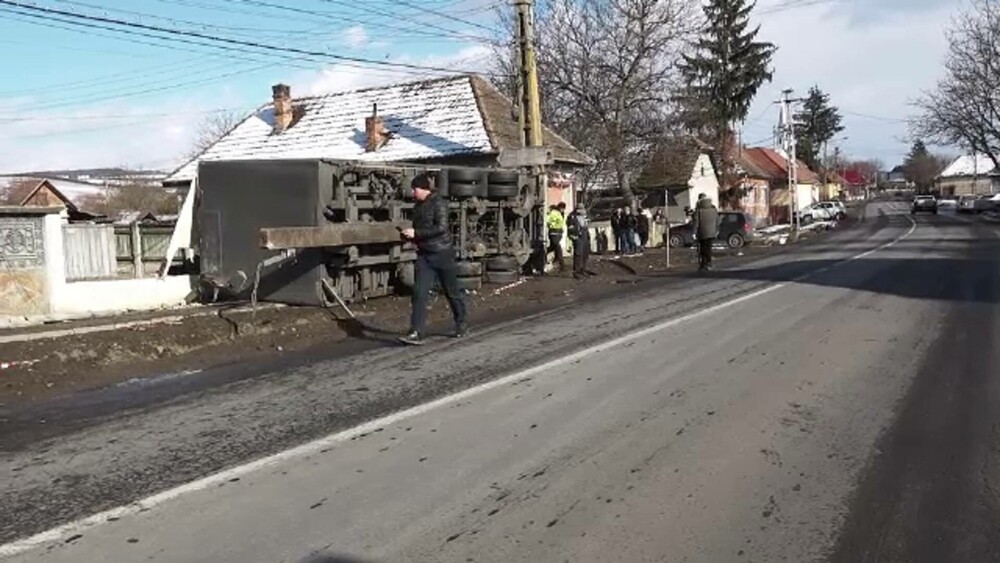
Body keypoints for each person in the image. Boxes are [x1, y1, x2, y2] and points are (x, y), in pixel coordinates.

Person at [398, 173, 467, 345]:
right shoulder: (417, 207)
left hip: (442, 254)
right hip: (425, 256)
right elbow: (418, 229)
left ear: (423, 189)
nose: (413, 193)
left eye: (415, 189)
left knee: (452, 292)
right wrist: (410, 236)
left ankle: (461, 322)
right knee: (419, 294)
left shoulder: (439, 203)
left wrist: (417, 233)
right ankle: (416, 331)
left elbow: (441, 228)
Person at [691, 193, 719, 271]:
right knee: (708, 248)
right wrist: (716, 230)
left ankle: (703, 264)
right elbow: (717, 220)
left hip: (702, 232)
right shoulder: (713, 209)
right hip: (711, 232)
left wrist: (694, 232)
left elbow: (696, 222)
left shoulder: (699, 210)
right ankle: (709, 263)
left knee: (702, 249)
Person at [567, 205, 592, 279]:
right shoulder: (572, 217)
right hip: (577, 236)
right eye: (581, 209)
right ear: (577, 210)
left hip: (585, 236)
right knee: (578, 254)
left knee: (585, 253)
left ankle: (583, 269)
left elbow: (587, 223)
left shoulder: (585, 216)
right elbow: (570, 227)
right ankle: (576, 271)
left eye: (583, 209)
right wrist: (575, 234)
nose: (583, 211)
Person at [545, 202, 567, 272]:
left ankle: (543, 255)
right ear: (560, 208)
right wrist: (554, 225)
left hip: (557, 232)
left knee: (553, 247)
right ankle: (561, 264)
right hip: (554, 232)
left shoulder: (559, 213)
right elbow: (549, 221)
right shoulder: (554, 213)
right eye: (563, 209)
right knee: (558, 248)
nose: (563, 210)